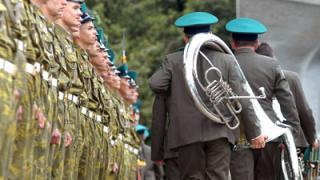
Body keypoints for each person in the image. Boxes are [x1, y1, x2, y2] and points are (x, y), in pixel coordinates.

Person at [149, 12, 265, 180]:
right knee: (218, 176)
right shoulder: (226, 60)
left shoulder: (173, 60)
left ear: (185, 39)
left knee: (192, 177)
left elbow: (156, 84)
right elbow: (240, 98)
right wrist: (255, 133)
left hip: (186, 132)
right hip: (219, 131)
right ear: (210, 35)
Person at [225, 18, 300, 180]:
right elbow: (287, 101)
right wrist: (292, 133)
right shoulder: (271, 65)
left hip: (236, 133)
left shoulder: (223, 63)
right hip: (269, 135)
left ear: (233, 43)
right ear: (257, 43)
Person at [255, 42, 319, 178]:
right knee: (299, 174)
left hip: (264, 141)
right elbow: (304, 111)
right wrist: (312, 138)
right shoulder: (291, 77)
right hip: (295, 141)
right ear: (274, 58)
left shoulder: (253, 78)